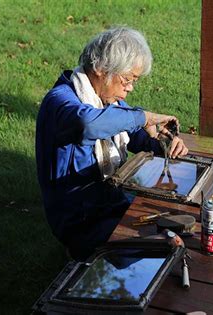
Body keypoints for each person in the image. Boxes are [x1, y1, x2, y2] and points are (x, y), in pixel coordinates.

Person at [35, 26, 189, 261]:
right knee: (164, 250)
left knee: (180, 225)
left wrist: (163, 143)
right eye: (127, 80)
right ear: (100, 69)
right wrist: (143, 117)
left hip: (111, 203)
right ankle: (85, 252)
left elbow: (134, 135)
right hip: (82, 221)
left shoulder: (105, 100)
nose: (130, 88)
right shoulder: (59, 102)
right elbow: (89, 124)